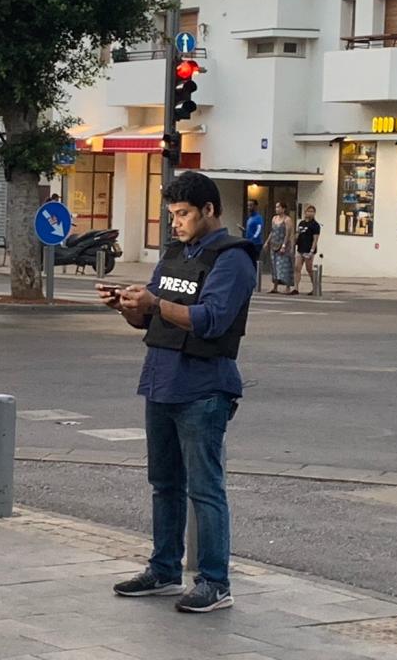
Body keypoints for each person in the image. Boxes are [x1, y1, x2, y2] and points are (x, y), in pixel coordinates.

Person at [97, 171, 256, 614]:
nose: (177, 223)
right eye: (171, 215)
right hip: (161, 380)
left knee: (205, 489)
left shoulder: (233, 258)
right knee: (163, 484)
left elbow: (212, 319)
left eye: (183, 214)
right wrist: (127, 307)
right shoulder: (174, 254)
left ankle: (214, 582)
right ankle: (164, 569)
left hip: (205, 387)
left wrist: (154, 305)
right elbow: (150, 319)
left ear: (209, 210)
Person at [262, 201, 294, 294]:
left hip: (283, 244)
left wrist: (284, 245)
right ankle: (275, 286)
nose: (277, 209)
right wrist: (267, 242)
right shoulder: (274, 218)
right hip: (274, 244)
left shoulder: (287, 220)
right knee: (274, 266)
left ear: (283, 209)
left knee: (284, 265)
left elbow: (288, 234)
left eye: (279, 207)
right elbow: (272, 231)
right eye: (276, 207)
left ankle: (287, 287)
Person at [293, 205, 321, 296]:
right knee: (297, 267)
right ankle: (296, 288)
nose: (310, 213)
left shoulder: (315, 225)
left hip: (309, 249)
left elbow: (315, 239)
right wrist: (294, 241)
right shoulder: (301, 223)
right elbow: (297, 234)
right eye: (308, 211)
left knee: (309, 269)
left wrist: (312, 251)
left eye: (312, 211)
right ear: (305, 212)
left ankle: (315, 287)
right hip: (300, 248)